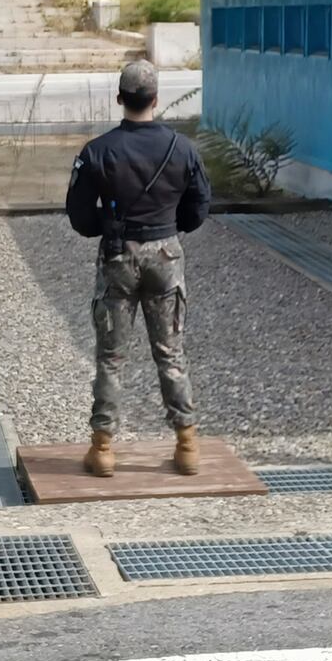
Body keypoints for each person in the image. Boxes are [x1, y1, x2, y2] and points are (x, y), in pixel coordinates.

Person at [65, 58, 213, 477]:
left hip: (117, 256)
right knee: (170, 352)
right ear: (156, 100)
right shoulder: (182, 148)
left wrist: (107, 227)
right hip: (166, 254)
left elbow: (78, 216)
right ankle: (186, 444)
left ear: (120, 99)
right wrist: (170, 226)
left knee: (111, 357)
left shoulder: (98, 151)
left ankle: (103, 448)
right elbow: (199, 207)